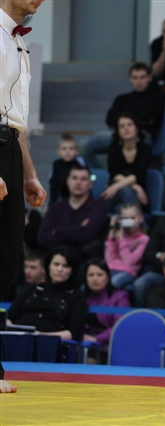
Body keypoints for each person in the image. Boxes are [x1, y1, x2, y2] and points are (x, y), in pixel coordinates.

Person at [0, 0, 47, 393]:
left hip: (9, 150)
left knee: (6, 259)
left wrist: (28, 172)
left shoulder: (17, 41)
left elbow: (15, 121)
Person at [82, 63, 165, 169]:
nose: (139, 81)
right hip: (118, 133)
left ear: (149, 78)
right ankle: (103, 175)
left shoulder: (157, 98)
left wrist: (124, 118)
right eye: (135, 78)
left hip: (142, 136)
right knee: (84, 145)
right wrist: (137, 120)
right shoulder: (121, 99)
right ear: (130, 79)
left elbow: (148, 114)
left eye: (142, 77)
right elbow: (109, 119)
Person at [7, 247, 87, 342]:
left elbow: (75, 333)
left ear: (72, 270)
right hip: (17, 339)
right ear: (48, 266)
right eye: (56, 264)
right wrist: (10, 331)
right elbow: (9, 317)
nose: (60, 269)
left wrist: (42, 336)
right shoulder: (32, 289)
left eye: (65, 266)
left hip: (50, 344)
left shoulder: (77, 296)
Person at [37, 165, 109, 261]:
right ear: (68, 181)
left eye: (83, 179)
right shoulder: (55, 208)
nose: (78, 182)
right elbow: (42, 238)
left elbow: (87, 234)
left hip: (86, 262)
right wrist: (79, 230)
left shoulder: (98, 208)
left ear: (90, 184)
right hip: (57, 261)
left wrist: (57, 231)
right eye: (74, 178)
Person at [83, 258, 130, 363]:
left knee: (91, 359)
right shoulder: (81, 297)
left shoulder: (120, 296)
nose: (95, 279)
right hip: (84, 341)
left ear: (107, 277)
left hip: (110, 342)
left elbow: (119, 325)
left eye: (99, 275)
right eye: (91, 275)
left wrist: (96, 339)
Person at [102, 113, 152, 212]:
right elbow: (114, 173)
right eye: (122, 126)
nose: (126, 128)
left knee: (119, 209)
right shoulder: (114, 148)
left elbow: (138, 174)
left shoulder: (145, 149)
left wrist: (116, 186)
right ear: (118, 131)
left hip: (137, 197)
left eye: (130, 124)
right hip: (114, 194)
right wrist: (136, 187)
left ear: (136, 128)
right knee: (126, 190)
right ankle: (138, 222)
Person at [104, 203, 149, 291]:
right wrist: (111, 232)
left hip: (127, 272)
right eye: (125, 219)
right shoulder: (118, 234)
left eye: (132, 218)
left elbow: (130, 261)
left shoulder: (144, 239)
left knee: (112, 283)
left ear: (141, 218)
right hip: (110, 269)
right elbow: (109, 260)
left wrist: (121, 239)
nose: (129, 222)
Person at [48, 133, 85, 205]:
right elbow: (54, 185)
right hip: (61, 198)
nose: (67, 152)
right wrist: (52, 204)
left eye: (71, 148)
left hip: (77, 199)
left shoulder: (79, 164)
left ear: (77, 151)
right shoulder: (56, 164)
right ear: (58, 151)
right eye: (64, 149)